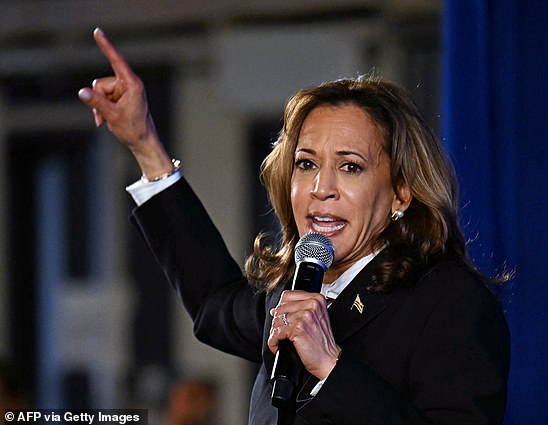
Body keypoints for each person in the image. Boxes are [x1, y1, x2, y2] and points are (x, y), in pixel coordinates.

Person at [78, 28, 510, 425]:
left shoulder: (448, 303)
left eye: (350, 166)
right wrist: (145, 145)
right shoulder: (292, 294)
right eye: (306, 164)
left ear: (401, 192)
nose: (322, 188)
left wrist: (332, 369)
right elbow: (214, 301)